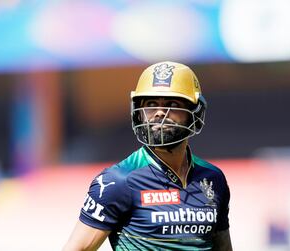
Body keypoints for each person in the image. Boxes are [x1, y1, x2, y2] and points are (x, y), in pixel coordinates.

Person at [63, 61, 232, 251]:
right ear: (139, 113)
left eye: (172, 103)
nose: (160, 112)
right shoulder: (116, 181)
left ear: (195, 112)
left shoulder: (213, 179)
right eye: (151, 104)